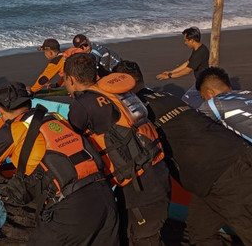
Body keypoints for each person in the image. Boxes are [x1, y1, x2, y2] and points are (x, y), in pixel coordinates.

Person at [0, 81, 119, 245]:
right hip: (105, 197)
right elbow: (53, 155)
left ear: (0, 110)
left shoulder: (11, 130)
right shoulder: (56, 117)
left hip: (71, 208)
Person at [115, 60, 252, 246]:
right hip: (209, 177)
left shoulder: (134, 113)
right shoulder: (167, 96)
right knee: (200, 234)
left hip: (225, 173)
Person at [63, 53, 170, 246]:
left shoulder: (82, 105)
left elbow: (71, 144)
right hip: (158, 173)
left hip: (139, 189)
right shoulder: (112, 90)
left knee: (140, 239)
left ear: (70, 79)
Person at [155, 27, 209, 108]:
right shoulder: (198, 48)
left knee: (187, 100)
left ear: (192, 40)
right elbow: (188, 63)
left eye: (186, 40)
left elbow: (187, 70)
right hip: (201, 82)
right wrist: (171, 72)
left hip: (204, 83)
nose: (185, 43)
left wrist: (169, 76)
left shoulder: (200, 52)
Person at [196, 66, 252, 143]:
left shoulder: (214, 104)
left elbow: (191, 126)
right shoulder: (247, 93)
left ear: (210, 92)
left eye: (203, 97)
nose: (204, 100)